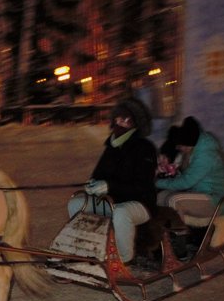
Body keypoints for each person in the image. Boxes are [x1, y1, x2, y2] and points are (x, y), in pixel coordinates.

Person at [67, 97, 157, 264]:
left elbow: (142, 185)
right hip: (111, 201)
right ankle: (86, 248)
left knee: (121, 213)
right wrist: (92, 185)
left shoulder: (144, 147)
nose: (121, 123)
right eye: (118, 118)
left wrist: (109, 186)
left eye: (127, 120)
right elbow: (98, 175)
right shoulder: (111, 147)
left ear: (136, 124)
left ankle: (124, 259)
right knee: (76, 204)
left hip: (140, 203)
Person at [155, 116, 224, 221]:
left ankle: (180, 235)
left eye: (179, 146)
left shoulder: (205, 156)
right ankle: (162, 233)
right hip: (197, 192)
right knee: (158, 199)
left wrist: (156, 182)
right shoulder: (194, 149)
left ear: (186, 145)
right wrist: (174, 173)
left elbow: (186, 182)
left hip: (212, 199)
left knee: (174, 201)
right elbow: (187, 177)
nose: (178, 149)